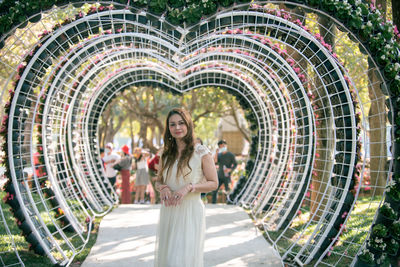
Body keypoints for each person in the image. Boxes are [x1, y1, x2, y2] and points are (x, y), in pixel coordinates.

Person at [154, 108, 218, 267]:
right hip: (169, 211)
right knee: (168, 259)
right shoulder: (165, 153)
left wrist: (190, 187)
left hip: (190, 211)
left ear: (189, 125)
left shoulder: (201, 152)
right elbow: (159, 181)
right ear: (168, 128)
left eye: (181, 123)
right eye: (172, 124)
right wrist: (163, 188)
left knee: (182, 259)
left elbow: (213, 183)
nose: (177, 128)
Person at [211, 139, 237, 204]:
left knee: (227, 190)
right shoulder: (219, 155)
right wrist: (216, 153)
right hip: (219, 175)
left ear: (226, 146)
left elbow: (235, 164)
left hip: (227, 175)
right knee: (214, 190)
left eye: (223, 145)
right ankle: (213, 204)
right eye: (221, 146)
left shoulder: (230, 155)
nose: (222, 147)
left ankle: (229, 203)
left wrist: (230, 169)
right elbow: (215, 162)